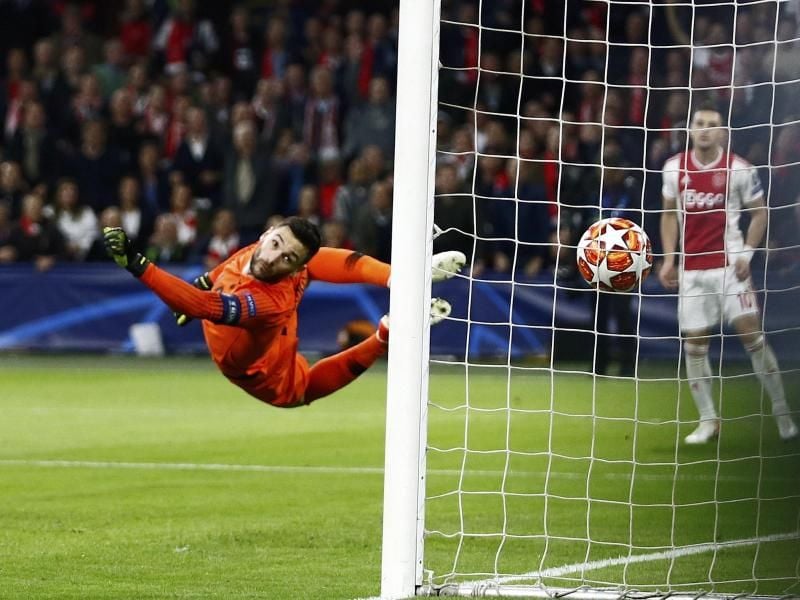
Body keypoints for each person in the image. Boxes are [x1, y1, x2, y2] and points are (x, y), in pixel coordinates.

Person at [103, 217, 464, 408]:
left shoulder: (269, 300)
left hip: (268, 349)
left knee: (302, 386)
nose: (274, 256)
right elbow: (215, 285)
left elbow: (201, 305)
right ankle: (391, 314)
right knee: (302, 388)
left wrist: (137, 263)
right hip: (265, 364)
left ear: (292, 269)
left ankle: (397, 294)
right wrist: (204, 279)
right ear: (265, 234)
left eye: (287, 258)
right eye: (274, 244)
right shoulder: (262, 264)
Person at [659, 102, 798, 444]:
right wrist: (668, 259)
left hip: (729, 269)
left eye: (712, 124)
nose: (705, 129)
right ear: (690, 129)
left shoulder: (739, 168)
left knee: (752, 335)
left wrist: (747, 254)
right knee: (694, 345)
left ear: (722, 132)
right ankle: (709, 421)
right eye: (700, 123)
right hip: (691, 271)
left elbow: (760, 214)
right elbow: (667, 214)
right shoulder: (673, 168)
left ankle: (782, 414)